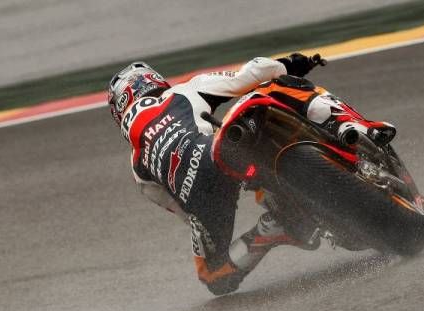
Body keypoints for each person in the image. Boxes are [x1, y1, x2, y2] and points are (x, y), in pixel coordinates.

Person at [107, 54, 395, 295]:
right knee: (277, 85)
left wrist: (207, 216)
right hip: (220, 152)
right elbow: (250, 73)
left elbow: (182, 212)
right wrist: (291, 63)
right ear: (152, 81)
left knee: (213, 276)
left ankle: (269, 231)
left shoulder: (137, 167)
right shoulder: (180, 92)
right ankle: (357, 126)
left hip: (203, 197)